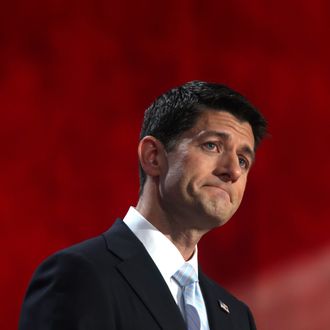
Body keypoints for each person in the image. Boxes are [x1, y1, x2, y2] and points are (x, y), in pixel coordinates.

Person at [19, 81, 267, 330]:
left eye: (243, 161)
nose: (233, 170)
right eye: (212, 145)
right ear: (153, 156)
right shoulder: (77, 277)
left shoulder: (237, 318)